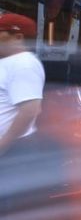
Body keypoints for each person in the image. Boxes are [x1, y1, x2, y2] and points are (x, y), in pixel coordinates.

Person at [0, 13, 44, 158]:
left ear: (18, 37)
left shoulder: (24, 64)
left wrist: (4, 143)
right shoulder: (9, 61)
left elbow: (30, 110)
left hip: (13, 148)